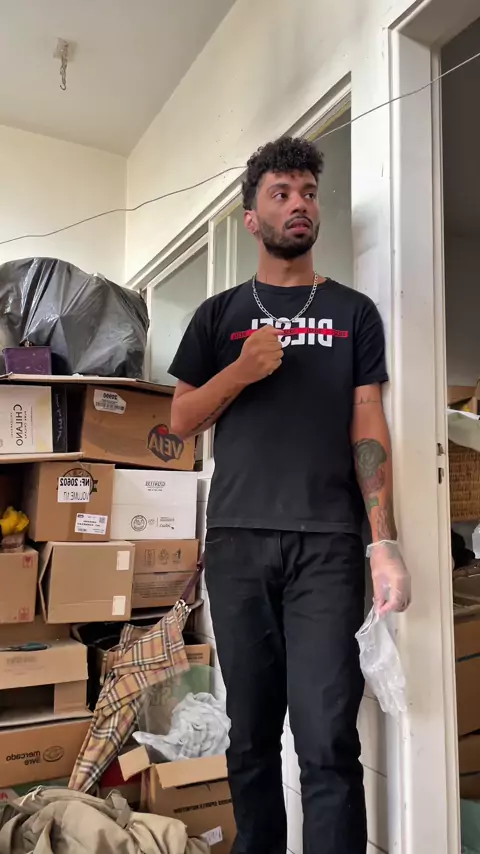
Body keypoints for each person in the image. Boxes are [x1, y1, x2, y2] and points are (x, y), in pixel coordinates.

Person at [168, 136, 411, 854]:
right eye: (281, 193)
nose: (299, 203)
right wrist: (240, 371)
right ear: (253, 218)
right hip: (237, 542)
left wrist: (384, 542)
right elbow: (180, 421)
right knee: (250, 736)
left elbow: (368, 420)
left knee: (327, 737)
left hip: (329, 547)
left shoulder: (353, 312)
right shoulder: (217, 315)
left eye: (307, 191)